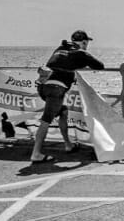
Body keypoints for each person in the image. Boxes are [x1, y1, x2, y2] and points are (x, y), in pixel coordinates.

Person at [30, 30, 104, 163]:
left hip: (43, 87)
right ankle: (36, 153)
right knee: (46, 121)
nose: (87, 45)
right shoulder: (81, 53)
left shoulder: (61, 47)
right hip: (56, 89)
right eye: (86, 43)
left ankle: (68, 145)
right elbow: (100, 66)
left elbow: (60, 62)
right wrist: (84, 60)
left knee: (63, 112)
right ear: (83, 42)